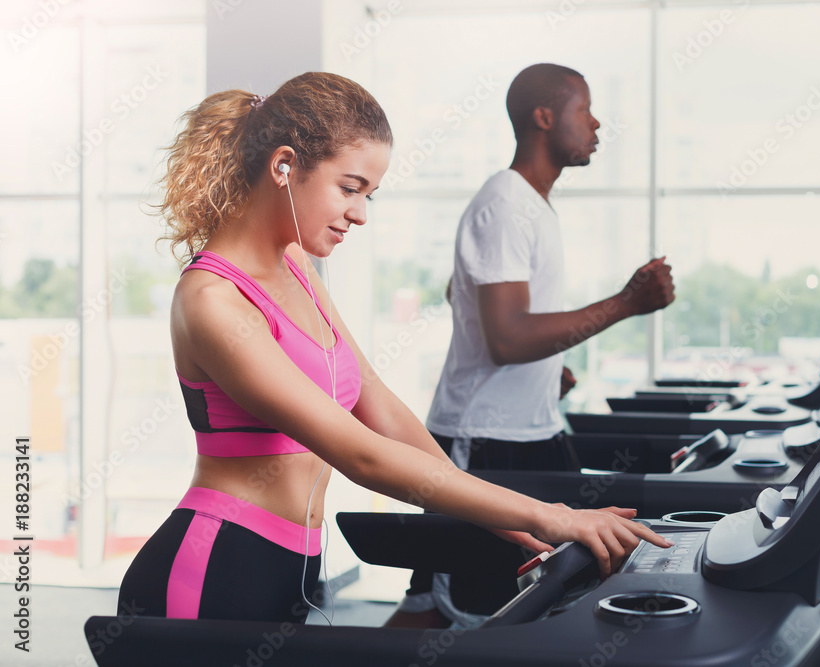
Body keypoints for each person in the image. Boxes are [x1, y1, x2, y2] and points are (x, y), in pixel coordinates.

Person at [115, 71, 671, 625]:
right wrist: (552, 517)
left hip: (296, 569)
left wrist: (518, 524)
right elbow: (361, 455)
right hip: (212, 567)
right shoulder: (212, 299)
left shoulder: (296, 265)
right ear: (284, 165)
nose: (359, 212)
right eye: (349, 187)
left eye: (369, 195)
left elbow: (377, 404)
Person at [388, 64, 675, 628]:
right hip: (484, 442)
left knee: (542, 601)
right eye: (583, 110)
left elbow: (470, 301)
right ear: (544, 117)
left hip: (531, 432)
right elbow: (508, 338)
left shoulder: (531, 204)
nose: (596, 124)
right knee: (462, 616)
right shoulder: (505, 203)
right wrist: (626, 303)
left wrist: (548, 369)